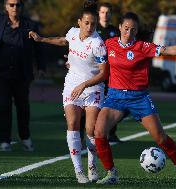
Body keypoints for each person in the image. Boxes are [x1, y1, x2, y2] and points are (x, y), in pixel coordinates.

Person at [94, 12, 176, 186]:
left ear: (137, 31)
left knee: (160, 138)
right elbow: (91, 54)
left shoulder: (142, 47)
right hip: (115, 97)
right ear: (119, 28)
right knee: (99, 132)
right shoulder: (108, 44)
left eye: (133, 30)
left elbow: (170, 50)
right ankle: (111, 173)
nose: (129, 32)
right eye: (126, 28)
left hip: (139, 97)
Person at [29, 1, 108, 184]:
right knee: (73, 123)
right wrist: (42, 39)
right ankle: (79, 171)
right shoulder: (73, 33)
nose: (90, 27)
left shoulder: (98, 43)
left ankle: (92, 165)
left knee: (90, 130)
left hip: (93, 88)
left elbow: (104, 73)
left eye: (93, 24)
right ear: (79, 22)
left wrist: (85, 84)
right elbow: (63, 40)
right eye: (86, 23)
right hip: (72, 84)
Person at [0, 0, 45, 151]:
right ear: (6, 7)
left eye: (18, 4)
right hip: (1, 74)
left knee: (23, 107)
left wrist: (41, 67)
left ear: (22, 7)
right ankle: (5, 141)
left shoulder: (30, 25)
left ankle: (25, 138)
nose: (14, 7)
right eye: (11, 4)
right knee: (4, 107)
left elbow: (39, 48)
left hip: (22, 75)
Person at [79, 2, 120, 144]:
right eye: (103, 12)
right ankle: (83, 134)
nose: (105, 15)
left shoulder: (115, 31)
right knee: (88, 105)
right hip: (92, 73)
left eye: (108, 12)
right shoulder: (92, 30)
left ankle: (111, 133)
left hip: (110, 73)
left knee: (110, 103)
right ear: (98, 14)